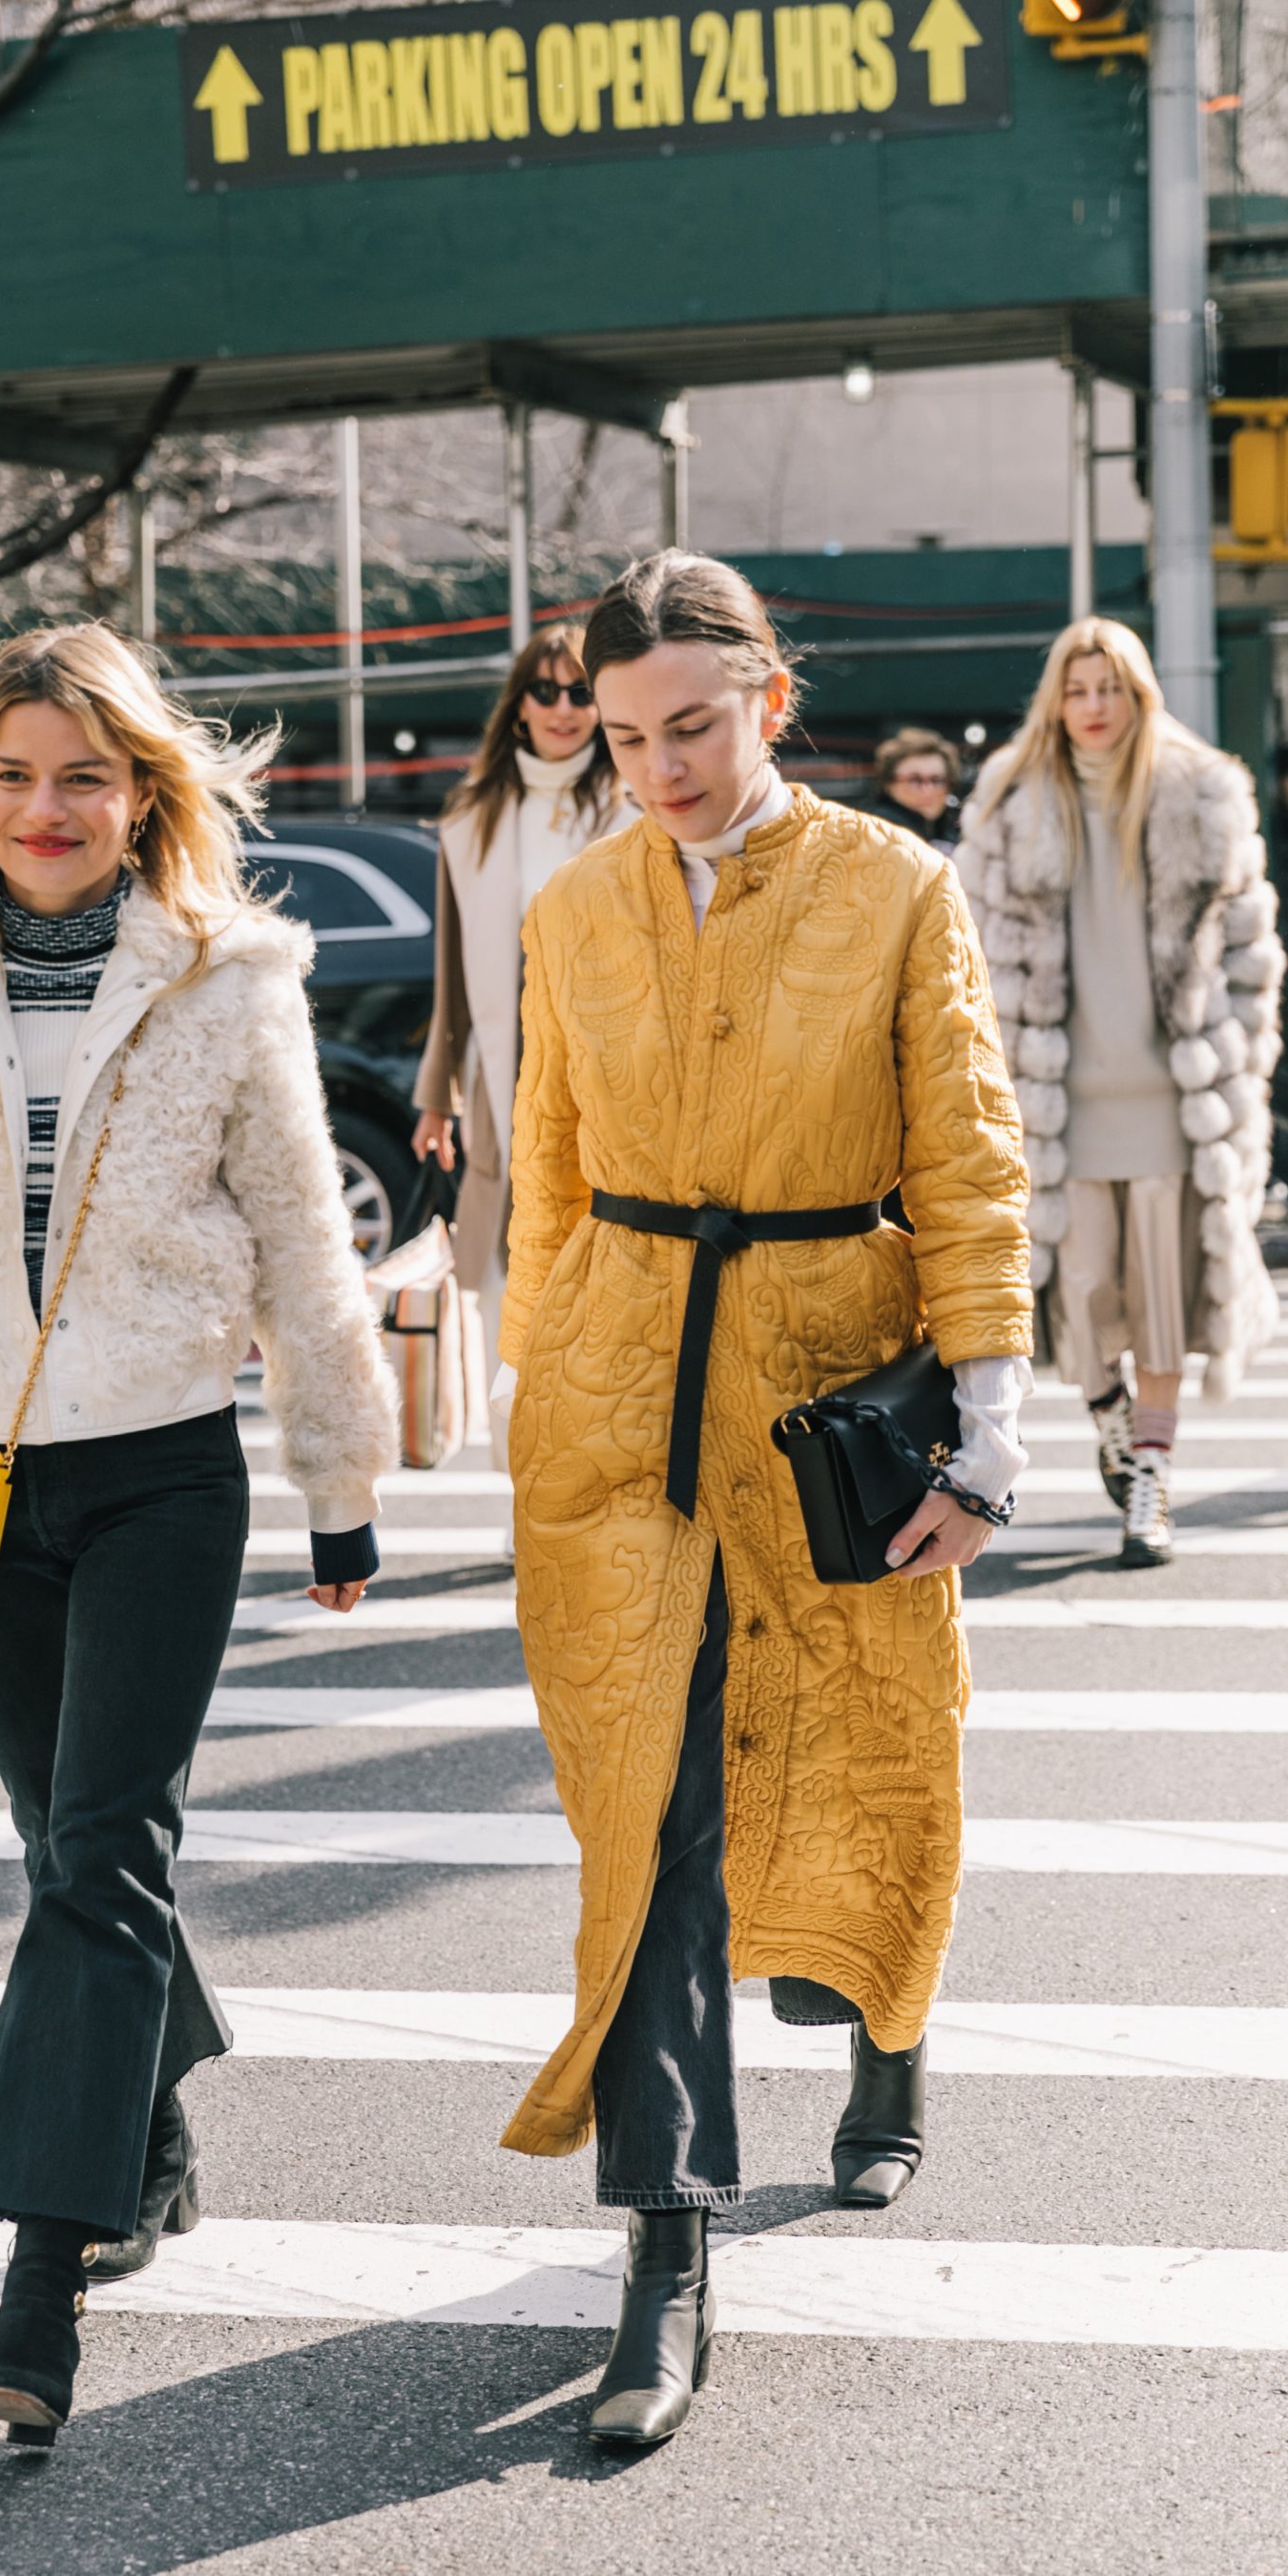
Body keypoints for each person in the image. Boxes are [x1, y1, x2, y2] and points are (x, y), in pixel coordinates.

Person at [0, 623, 398, 2443]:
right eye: (15, 774)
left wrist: (336, 1477)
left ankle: (45, 2272)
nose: (48, 808)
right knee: (73, 1849)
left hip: (159, 1481)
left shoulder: (230, 978)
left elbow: (305, 1240)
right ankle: (155, 2128)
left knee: (103, 1851)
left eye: (87, 776)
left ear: (146, 796)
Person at [493, 551, 1034, 2447]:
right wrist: (537, 1398)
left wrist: (988, 1427)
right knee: (655, 1819)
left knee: (877, 1744)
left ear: (769, 702)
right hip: (626, 1397)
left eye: (695, 729)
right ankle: (665, 2246)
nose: (662, 769)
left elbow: (966, 1158)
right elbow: (546, 1184)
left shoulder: (899, 889)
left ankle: (888, 2049)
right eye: (630, 737)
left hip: (831, 1388)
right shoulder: (567, 912)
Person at [958, 617, 1283, 1567]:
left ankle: (1149, 1478)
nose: (1094, 707)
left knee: (1164, 1304)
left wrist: (1240, 1065)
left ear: (1140, 695)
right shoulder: (1012, 803)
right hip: (1058, 1108)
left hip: (1177, 1108)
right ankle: (1111, 1425)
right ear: (1055, 700)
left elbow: (1252, 959)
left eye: (1111, 688)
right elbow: (967, 960)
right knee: (1083, 1297)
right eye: (1077, 688)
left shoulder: (1204, 795)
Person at [411, 623, 623, 1370]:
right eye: (545, 691)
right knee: (510, 1255)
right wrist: (437, 1095)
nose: (563, 709)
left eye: (580, 693)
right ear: (520, 705)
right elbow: (454, 972)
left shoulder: (637, 806)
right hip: (506, 1067)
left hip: (618, 1061)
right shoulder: (470, 818)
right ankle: (526, 1423)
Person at [862, 726, 964, 853]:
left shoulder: (953, 833)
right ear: (888, 783)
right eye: (915, 780)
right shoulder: (879, 835)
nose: (928, 790)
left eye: (937, 780)